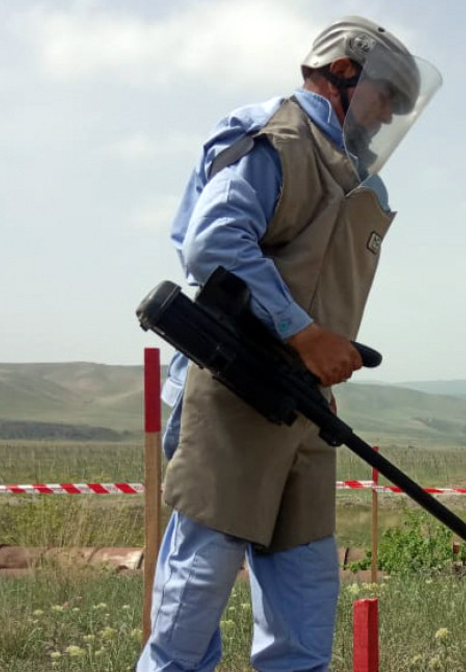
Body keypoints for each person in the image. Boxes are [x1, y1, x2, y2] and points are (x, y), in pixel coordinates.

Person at [136, 16, 441, 672]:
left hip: (302, 406)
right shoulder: (277, 137)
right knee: (194, 602)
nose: (387, 116)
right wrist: (303, 334)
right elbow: (212, 243)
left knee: (304, 596)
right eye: (385, 97)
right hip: (233, 396)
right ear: (342, 73)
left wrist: (323, 358)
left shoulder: (357, 178)